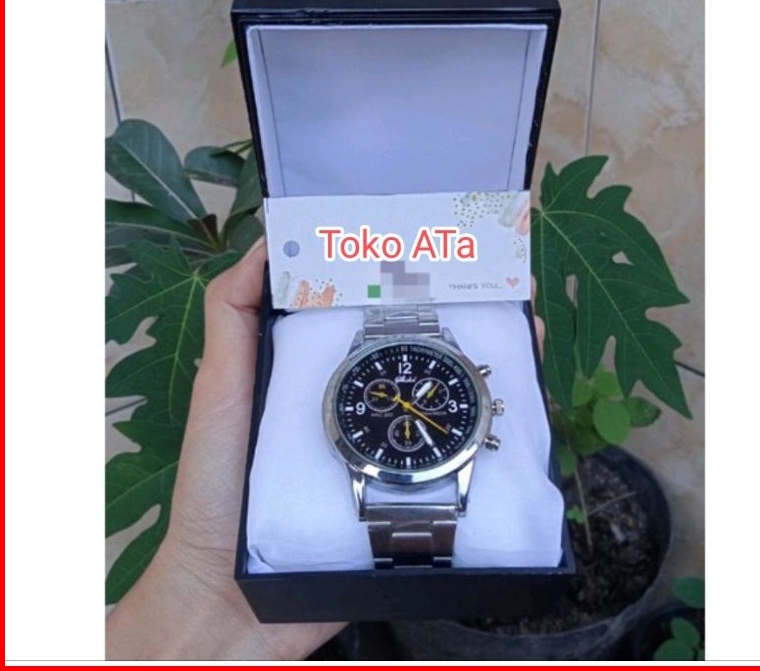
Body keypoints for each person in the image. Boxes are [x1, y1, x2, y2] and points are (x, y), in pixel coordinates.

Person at [106, 238, 545, 660]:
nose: (407, 406)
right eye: (398, 402)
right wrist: (207, 574)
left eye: (418, 402)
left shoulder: (434, 398)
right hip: (384, 462)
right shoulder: (361, 383)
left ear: (487, 408)